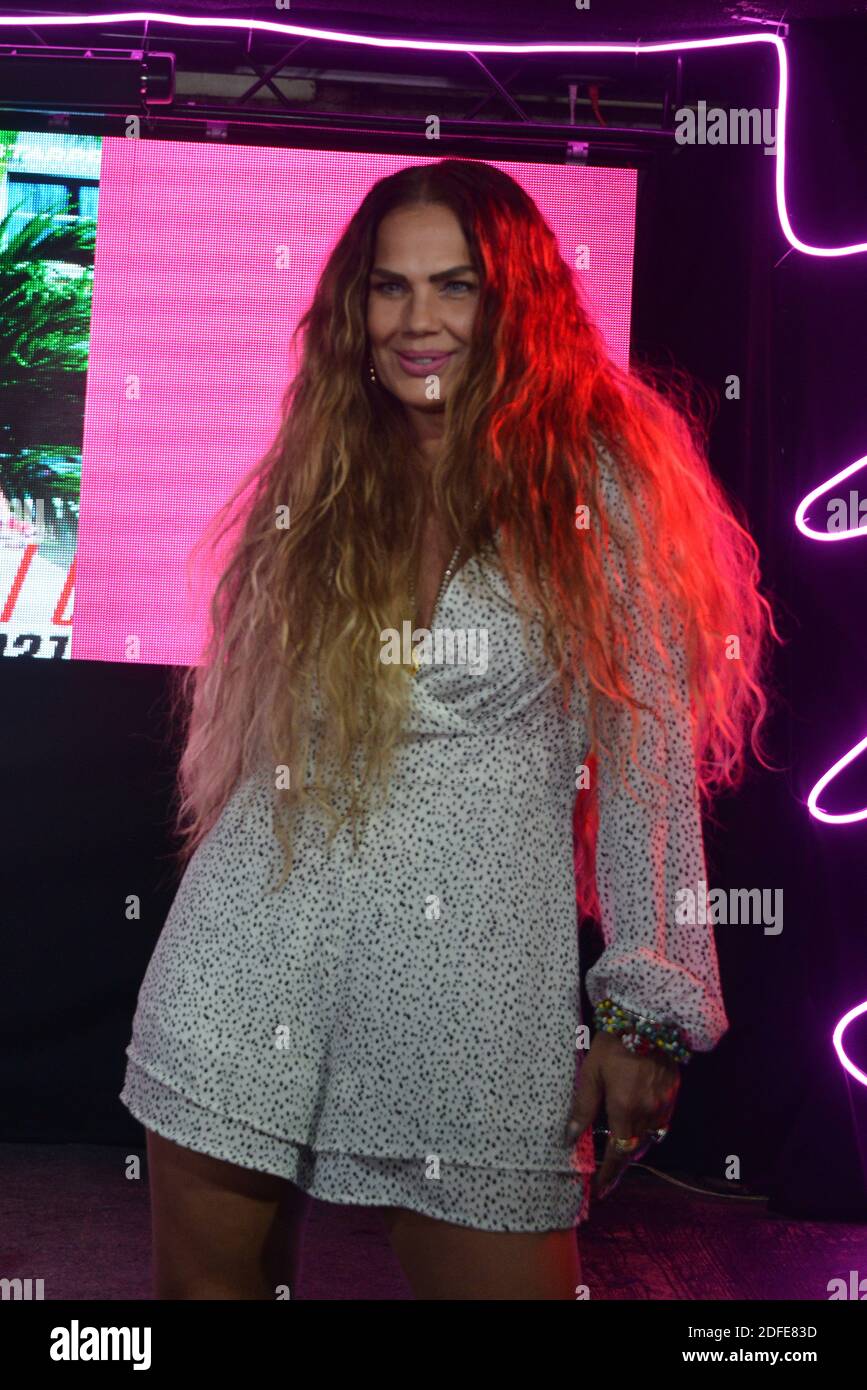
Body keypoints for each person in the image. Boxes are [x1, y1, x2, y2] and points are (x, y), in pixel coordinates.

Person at [119, 158, 778, 1301]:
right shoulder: (327, 472)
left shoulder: (591, 479)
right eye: (389, 288)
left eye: (456, 287)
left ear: (513, 300)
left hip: (475, 980)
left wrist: (648, 1008)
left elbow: (646, 751)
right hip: (252, 945)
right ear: (355, 308)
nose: (418, 320)